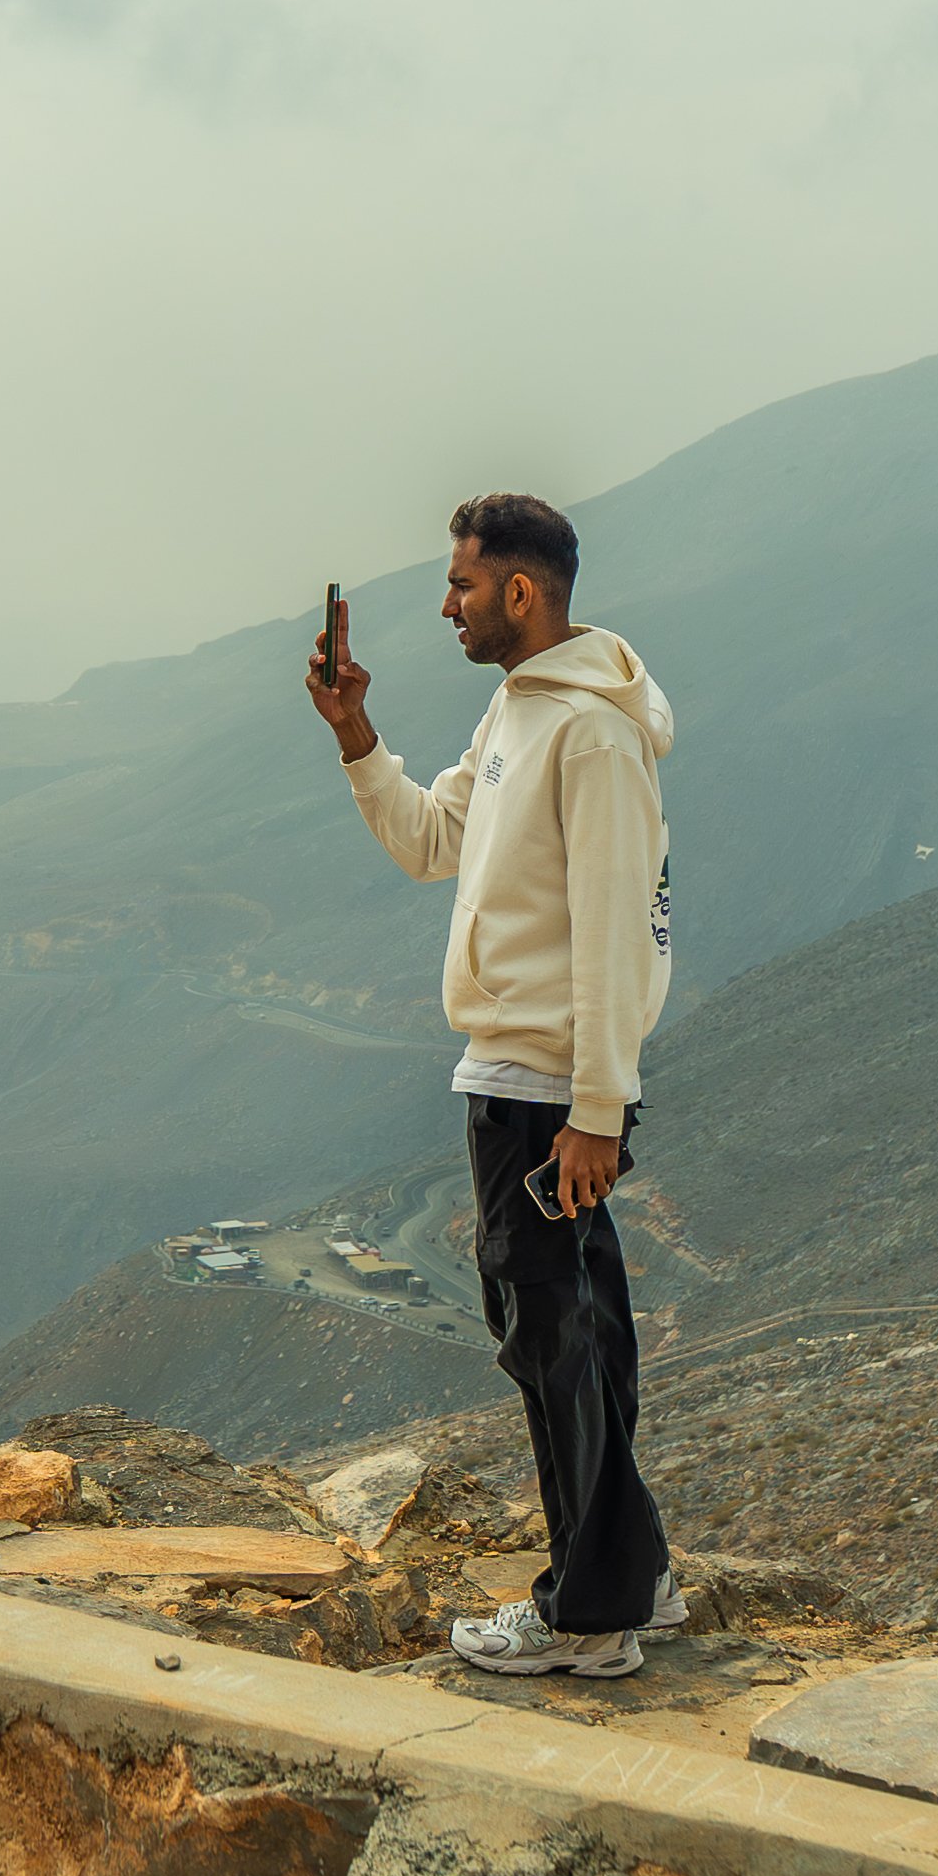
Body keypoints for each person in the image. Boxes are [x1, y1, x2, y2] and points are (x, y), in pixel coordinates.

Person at [303, 491, 680, 1676]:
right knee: (577, 1330)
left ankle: (590, 1616)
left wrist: (597, 1110)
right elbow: (431, 842)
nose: (447, 604)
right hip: (517, 1072)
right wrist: (357, 737)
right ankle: (636, 1576)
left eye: (462, 584)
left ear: (523, 592)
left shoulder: (595, 736)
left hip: (546, 1087)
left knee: (546, 1335)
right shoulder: (517, 710)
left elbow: (624, 926)